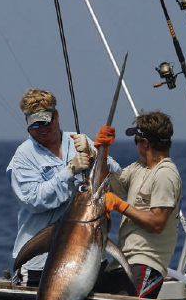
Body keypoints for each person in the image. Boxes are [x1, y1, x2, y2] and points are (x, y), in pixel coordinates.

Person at [7, 88, 120, 286]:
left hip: (88, 255)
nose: (42, 128)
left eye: (46, 121)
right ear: (27, 125)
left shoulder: (79, 141)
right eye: (35, 125)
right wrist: (69, 171)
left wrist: (96, 156)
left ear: (56, 115)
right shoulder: (22, 158)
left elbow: (117, 181)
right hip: (41, 263)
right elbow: (34, 200)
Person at [95, 111, 182, 299]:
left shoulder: (166, 174)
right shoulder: (138, 167)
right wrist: (102, 153)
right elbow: (104, 186)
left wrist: (119, 205)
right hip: (122, 261)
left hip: (145, 265)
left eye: (136, 140)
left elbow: (158, 223)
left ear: (146, 143)